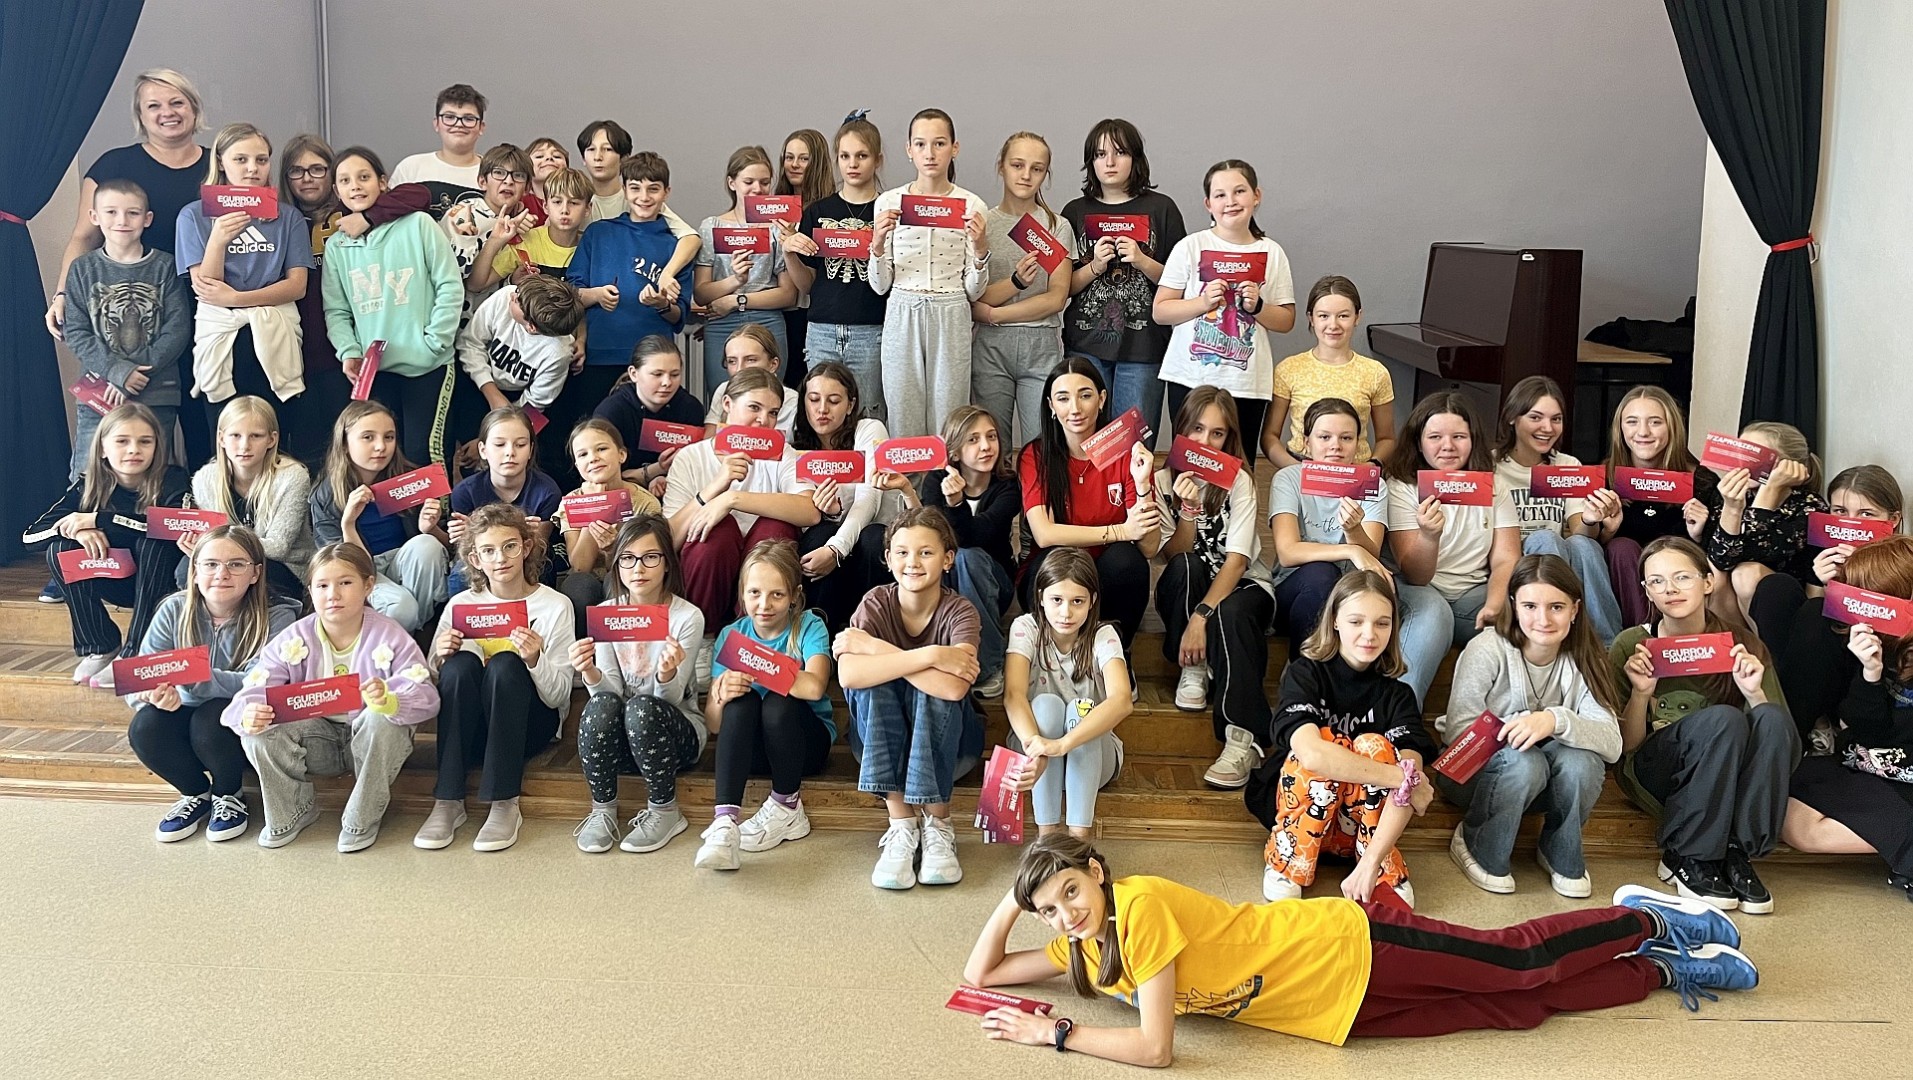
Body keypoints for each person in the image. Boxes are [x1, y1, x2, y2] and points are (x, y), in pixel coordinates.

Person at [962, 835, 1758, 1063]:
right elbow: (983, 972)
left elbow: (1156, 1048)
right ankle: (1656, 974)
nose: (1066, 914)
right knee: (1514, 1010)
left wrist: (1054, 1033)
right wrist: (1016, 898)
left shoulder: (1137, 911)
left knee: (1515, 960)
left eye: (1072, 891)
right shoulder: (1083, 947)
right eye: (1049, 909)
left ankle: (1646, 922)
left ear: (1098, 873)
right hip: (1330, 1013)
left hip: (1348, 946)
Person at [1614, 536, 1797, 913]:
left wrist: (1753, 693)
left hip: (1730, 780)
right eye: (1657, 581)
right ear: (1647, 592)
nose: (1670, 589)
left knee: (1770, 715)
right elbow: (1626, 748)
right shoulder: (1632, 644)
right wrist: (1641, 694)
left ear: (1708, 582)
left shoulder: (1742, 644)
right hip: (1657, 771)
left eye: (1682, 577)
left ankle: (1733, 850)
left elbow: (1782, 742)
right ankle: (1692, 852)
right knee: (1723, 719)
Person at [47, 69, 210, 473]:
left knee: (202, 433)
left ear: (194, 108)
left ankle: (199, 508)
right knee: (117, 446)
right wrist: (62, 294)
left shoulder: (219, 166)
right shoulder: (114, 164)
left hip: (209, 317)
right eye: (154, 105)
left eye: (177, 102)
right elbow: (83, 237)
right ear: (140, 115)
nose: (167, 112)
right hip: (128, 323)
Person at [227, 542, 437, 851]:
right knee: (258, 729)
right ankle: (293, 810)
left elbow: (424, 692)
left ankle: (362, 817)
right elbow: (255, 686)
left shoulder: (390, 635)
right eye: (322, 585)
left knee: (381, 717)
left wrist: (390, 699)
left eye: (345, 583)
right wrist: (250, 712)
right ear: (310, 591)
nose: (333, 594)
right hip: (318, 743)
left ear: (368, 585)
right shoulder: (294, 638)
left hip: (371, 744)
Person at [1438, 554, 1624, 899]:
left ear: (1575, 610)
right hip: (1472, 773)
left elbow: (1612, 744)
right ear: (1513, 605)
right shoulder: (1487, 648)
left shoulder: (1588, 657)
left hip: (1545, 782)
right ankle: (1477, 841)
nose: (1543, 619)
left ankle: (1558, 849)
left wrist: (1555, 720)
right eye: (1530, 606)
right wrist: (1522, 727)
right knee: (1526, 761)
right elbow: (1458, 733)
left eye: (1557, 607)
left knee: (1582, 762)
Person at [1250, 570, 1435, 907]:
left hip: (1362, 830)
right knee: (1325, 742)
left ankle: (1378, 862)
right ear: (1335, 621)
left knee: (1374, 746)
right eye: (1356, 621)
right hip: (1302, 815)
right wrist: (1400, 778)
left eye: (1382, 623)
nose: (1369, 634)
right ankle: (1288, 862)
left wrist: (1371, 862)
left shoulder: (1399, 696)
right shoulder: (1305, 673)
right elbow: (1313, 754)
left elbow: (1413, 777)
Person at [417, 504, 576, 852]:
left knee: (506, 664)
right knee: (459, 665)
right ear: (475, 559)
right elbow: (432, 683)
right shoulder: (461, 604)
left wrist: (535, 660)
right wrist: (439, 657)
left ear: (526, 547)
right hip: (472, 730)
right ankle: (448, 801)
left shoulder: (555, 605)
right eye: (488, 551)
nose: (501, 558)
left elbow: (559, 696)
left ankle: (505, 801)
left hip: (528, 726)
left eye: (510, 546)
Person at [837, 507, 982, 888]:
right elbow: (849, 675)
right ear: (888, 558)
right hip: (880, 743)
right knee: (875, 686)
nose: (913, 562)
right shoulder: (875, 603)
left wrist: (875, 649)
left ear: (947, 559)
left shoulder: (960, 611)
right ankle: (901, 825)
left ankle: (938, 824)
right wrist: (932, 656)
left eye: (926, 552)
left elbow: (954, 688)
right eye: (902, 552)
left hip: (953, 748)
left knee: (930, 692)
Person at [125, 525, 299, 842]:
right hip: (184, 716)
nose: (222, 574)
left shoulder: (278, 617)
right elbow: (143, 676)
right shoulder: (173, 609)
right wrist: (153, 694)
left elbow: (260, 683)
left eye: (236, 564)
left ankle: (229, 794)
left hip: (239, 726)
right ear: (194, 571)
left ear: (256, 573)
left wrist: (199, 678)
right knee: (145, 726)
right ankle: (194, 793)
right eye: (210, 564)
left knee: (212, 716)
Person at [1152, 387, 1274, 789]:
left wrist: (1200, 617)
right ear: (1182, 429)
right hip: (1190, 582)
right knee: (1186, 567)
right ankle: (1193, 667)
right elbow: (1170, 554)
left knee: (1231, 612)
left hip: (1244, 586)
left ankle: (1242, 739)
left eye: (1217, 433)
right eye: (1197, 429)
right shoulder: (1162, 480)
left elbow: (1237, 562)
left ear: (1229, 438)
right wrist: (1188, 511)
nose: (1205, 441)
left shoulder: (1238, 481)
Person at [1783, 535, 1913, 903]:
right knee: (1785, 807)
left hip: (1902, 774)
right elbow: (1868, 731)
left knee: (1808, 830)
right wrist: (1870, 674)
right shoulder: (1875, 641)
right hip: (1867, 763)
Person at [24, 403, 190, 685]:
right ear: (103, 448)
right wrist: (76, 532)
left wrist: (98, 519)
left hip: (162, 585)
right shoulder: (88, 486)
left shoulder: (173, 479)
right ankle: (101, 646)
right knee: (60, 549)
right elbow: (31, 536)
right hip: (116, 581)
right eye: (122, 441)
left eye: (145, 441)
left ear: (156, 448)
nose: (134, 449)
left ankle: (139, 650)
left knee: (155, 542)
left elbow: (173, 525)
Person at [696, 539, 836, 871]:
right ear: (742, 594)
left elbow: (814, 686)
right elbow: (714, 724)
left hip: (805, 747)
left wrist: (758, 665)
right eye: (755, 593)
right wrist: (720, 694)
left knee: (777, 700)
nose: (764, 604)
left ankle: (788, 807)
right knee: (740, 702)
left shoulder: (809, 625)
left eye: (777, 594)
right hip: (753, 751)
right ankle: (725, 822)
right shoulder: (732, 635)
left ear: (794, 596)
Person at [570, 515, 706, 853]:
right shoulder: (607, 612)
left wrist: (666, 673)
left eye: (650, 557)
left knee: (642, 708)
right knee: (602, 705)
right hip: (624, 742)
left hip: (674, 738)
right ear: (617, 565)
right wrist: (589, 671)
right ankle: (603, 811)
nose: (638, 568)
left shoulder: (686, 617)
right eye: (627, 558)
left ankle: (665, 811)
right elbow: (609, 696)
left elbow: (670, 700)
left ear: (667, 563)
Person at [321, 146, 464, 467]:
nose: (355, 186)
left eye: (364, 177)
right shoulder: (337, 246)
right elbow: (337, 310)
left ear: (383, 182)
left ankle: (436, 507)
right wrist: (349, 352)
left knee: (424, 456)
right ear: (336, 191)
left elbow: (449, 285)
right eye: (345, 181)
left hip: (427, 365)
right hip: (376, 372)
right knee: (383, 459)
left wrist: (435, 342)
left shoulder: (418, 225)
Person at [1380, 391, 1523, 706]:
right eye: (1435, 437)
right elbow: (1415, 575)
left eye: (1459, 436)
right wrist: (1429, 536)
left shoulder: (1494, 485)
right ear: (1419, 442)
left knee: (1525, 613)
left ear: (1473, 440)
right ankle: (1398, 717)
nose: (1448, 446)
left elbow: (1506, 558)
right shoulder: (1401, 486)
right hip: (1417, 591)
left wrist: (1495, 604)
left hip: (1473, 595)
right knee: (1435, 613)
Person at [176, 123, 315, 445]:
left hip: (274, 333)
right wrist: (217, 240)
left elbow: (297, 286)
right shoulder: (192, 216)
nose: (253, 168)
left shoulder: (287, 217)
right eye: (241, 159)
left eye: (261, 160)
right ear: (221, 162)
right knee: (227, 435)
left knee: (273, 431)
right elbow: (206, 288)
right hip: (222, 334)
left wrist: (236, 298)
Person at [1153, 159, 1296, 466]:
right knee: (1188, 465)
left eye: (1239, 191)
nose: (1230, 201)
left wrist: (1258, 307)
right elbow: (1161, 311)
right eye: (1220, 195)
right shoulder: (1189, 247)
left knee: (1239, 468)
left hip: (1247, 382)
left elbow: (1286, 320)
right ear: (1208, 204)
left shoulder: (1272, 252)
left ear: (1256, 196)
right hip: (1189, 377)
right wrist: (1202, 303)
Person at [1747, 463, 1903, 742]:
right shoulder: (1824, 549)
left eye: (1866, 514)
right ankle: (1790, 718)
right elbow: (1808, 630)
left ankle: (1788, 731)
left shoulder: (1899, 560)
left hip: (1868, 664)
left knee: (1816, 611)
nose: (1851, 524)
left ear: (1893, 519)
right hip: (1816, 662)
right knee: (1777, 588)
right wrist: (1822, 582)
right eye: (1840, 512)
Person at [875, 404, 1020, 697]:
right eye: (973, 439)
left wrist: (956, 504)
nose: (986, 446)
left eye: (991, 437)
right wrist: (907, 490)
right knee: (917, 555)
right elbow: (928, 535)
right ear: (954, 452)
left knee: (967, 557)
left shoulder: (1007, 487)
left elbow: (976, 537)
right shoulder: (936, 479)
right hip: (945, 580)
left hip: (994, 584)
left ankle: (988, 665)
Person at [1019, 357, 1163, 648]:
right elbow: (1045, 534)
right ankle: (1058, 657)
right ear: (1050, 406)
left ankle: (1117, 654)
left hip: (1107, 573)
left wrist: (1143, 484)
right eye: (1063, 398)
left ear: (1102, 399)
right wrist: (1121, 531)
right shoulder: (1035, 455)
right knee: (1056, 560)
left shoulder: (1128, 451)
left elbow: (1149, 547)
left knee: (1128, 560)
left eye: (1085, 396)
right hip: (1053, 569)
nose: (1075, 408)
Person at [663, 368, 821, 633]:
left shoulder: (781, 452)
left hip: (762, 574)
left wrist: (733, 499)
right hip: (708, 571)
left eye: (773, 413)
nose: (764, 420)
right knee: (718, 531)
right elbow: (668, 541)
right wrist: (715, 488)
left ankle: (755, 635)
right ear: (727, 404)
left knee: (775, 526)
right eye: (754, 408)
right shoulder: (690, 457)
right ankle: (703, 636)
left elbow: (811, 511)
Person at [60, 179, 192, 489]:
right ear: (94, 217)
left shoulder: (166, 266)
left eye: (132, 213)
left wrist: (134, 373)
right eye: (111, 212)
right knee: (86, 478)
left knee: (153, 480)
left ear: (147, 219)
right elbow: (75, 330)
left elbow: (177, 329)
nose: (122, 221)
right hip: (99, 393)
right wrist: (118, 372)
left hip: (156, 391)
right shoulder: (82, 268)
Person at [867, 108, 991, 438]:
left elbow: (974, 291)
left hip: (951, 310)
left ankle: (945, 474)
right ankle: (905, 475)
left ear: (954, 148)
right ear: (909, 149)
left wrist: (981, 249)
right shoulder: (889, 202)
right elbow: (880, 286)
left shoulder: (972, 205)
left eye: (939, 143)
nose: (930, 153)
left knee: (950, 416)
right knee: (902, 411)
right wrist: (876, 244)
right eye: (921, 144)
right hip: (902, 308)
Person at [1058, 118, 1185, 431]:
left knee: (1133, 445)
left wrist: (1142, 261)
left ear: (1136, 158)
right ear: (1091, 162)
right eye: (1100, 154)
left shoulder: (1162, 209)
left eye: (1120, 153)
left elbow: (1181, 285)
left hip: (1143, 349)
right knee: (1084, 439)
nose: (1110, 162)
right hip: (1086, 345)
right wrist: (1094, 267)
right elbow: (1062, 288)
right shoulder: (1074, 212)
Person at [564, 151, 693, 441]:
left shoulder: (676, 244)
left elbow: (679, 315)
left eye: (653, 189)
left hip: (653, 364)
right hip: (599, 356)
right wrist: (596, 295)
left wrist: (663, 304)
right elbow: (572, 294)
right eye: (635, 188)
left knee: (646, 441)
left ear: (666, 192)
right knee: (594, 436)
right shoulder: (598, 233)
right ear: (624, 190)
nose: (644, 197)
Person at [1003, 547, 1129, 838]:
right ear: (1040, 597)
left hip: (1091, 759)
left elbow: (1122, 700)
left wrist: (1061, 745)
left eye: (1077, 601)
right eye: (1057, 600)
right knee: (1045, 704)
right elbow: (1013, 695)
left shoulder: (1103, 634)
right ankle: (1046, 837)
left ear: (1092, 601)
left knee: (1081, 710)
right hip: (1033, 759)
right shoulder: (1026, 627)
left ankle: (1078, 841)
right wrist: (1037, 747)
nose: (1066, 612)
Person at [1491, 375, 1625, 643]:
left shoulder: (1568, 464)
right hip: (1515, 565)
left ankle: (1608, 645)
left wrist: (1590, 519)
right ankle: (1557, 635)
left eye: (1556, 419)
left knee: (1584, 544)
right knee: (1545, 537)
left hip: (1563, 561)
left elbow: (1580, 532)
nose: (1547, 428)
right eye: (1535, 417)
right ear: (1512, 418)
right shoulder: (1491, 465)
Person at [970, 132, 1075, 446]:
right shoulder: (982, 224)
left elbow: (1056, 297)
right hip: (990, 347)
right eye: (1017, 165)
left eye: (1037, 168)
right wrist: (1015, 283)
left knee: (1041, 445)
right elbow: (974, 295)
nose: (1026, 175)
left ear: (1046, 174)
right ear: (1001, 166)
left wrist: (994, 314)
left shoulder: (1057, 226)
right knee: (990, 444)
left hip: (1040, 345)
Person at [307, 400, 450, 630]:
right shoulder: (325, 495)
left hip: (403, 563)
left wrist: (431, 528)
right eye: (368, 437)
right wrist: (348, 523)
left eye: (389, 437)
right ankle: (404, 636)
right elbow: (344, 567)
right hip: (360, 571)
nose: (381, 446)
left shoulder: (410, 478)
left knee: (427, 545)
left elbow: (450, 547)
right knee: (402, 607)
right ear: (345, 444)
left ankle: (413, 632)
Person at [783, 112, 888, 419]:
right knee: (820, 415)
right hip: (822, 330)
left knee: (868, 413)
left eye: (861, 156)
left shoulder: (887, 210)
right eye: (845, 156)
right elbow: (807, 285)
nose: (852, 164)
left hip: (872, 331)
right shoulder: (818, 211)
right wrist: (789, 253)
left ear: (878, 160)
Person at [1267, 398, 1390, 655]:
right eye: (1325, 437)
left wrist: (1354, 531)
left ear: (1358, 444)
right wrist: (1350, 550)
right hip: (1294, 591)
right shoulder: (1288, 478)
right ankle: (1302, 667)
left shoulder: (1372, 484)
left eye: (1346, 438)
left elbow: (1371, 556)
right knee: (1320, 574)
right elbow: (1288, 553)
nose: (1336, 446)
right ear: (1306, 443)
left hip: (1350, 595)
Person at [1594, 386, 1718, 626]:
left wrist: (1700, 534)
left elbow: (1722, 553)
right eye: (1632, 422)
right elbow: (1589, 546)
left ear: (1672, 427)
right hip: (1625, 583)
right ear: (1620, 428)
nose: (1643, 432)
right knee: (1621, 547)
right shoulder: (1605, 476)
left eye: (1655, 422)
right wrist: (1608, 531)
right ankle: (1644, 632)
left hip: (1681, 579)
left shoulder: (1701, 481)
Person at [791, 362, 895, 630]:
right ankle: (818, 636)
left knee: (873, 538)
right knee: (819, 533)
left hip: (869, 544)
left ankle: (871, 630)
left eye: (834, 401)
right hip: (831, 548)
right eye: (814, 399)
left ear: (850, 405)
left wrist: (836, 550)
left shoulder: (869, 429)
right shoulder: (798, 446)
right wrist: (832, 514)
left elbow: (869, 502)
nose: (822, 409)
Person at [694, 146, 800, 391]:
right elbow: (701, 293)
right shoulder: (711, 226)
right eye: (748, 182)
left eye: (764, 182)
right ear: (732, 183)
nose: (757, 189)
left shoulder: (777, 228)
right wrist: (735, 281)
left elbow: (788, 294)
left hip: (767, 321)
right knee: (724, 397)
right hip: (722, 322)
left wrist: (736, 300)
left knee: (769, 395)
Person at [1262, 275, 1394, 469]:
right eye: (1324, 316)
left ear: (1357, 317)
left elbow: (1387, 438)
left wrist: (1370, 467)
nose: (1333, 325)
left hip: (1356, 471)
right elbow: (1269, 436)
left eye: (1343, 316)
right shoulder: (1288, 369)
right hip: (1300, 468)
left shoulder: (1376, 373)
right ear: (1311, 318)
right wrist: (1297, 470)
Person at [190, 395, 314, 603]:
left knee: (262, 574)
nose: (244, 445)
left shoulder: (293, 476)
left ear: (271, 439)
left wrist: (216, 546)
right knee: (185, 570)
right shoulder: (205, 478)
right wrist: (200, 548)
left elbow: (278, 547)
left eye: (255, 436)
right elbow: (215, 539)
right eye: (235, 435)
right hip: (227, 564)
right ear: (221, 438)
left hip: (284, 567)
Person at [1707, 420, 1826, 623]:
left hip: (1787, 609)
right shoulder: (1734, 494)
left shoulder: (1808, 506)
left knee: (1746, 574)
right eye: (1740, 454)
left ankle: (1764, 643)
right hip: (1738, 611)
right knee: (1714, 575)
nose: (1743, 464)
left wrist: (1769, 491)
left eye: (1755, 456)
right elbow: (1722, 560)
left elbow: (1752, 553)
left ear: (1788, 466)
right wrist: (1732, 508)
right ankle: (1742, 640)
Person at [553, 418, 664, 634]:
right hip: (586, 580)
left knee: (617, 582)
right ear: (577, 466)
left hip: (629, 573)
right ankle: (583, 650)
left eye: (601, 449)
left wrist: (612, 549)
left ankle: (624, 647)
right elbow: (579, 567)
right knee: (578, 585)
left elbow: (646, 562)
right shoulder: (571, 502)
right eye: (583, 454)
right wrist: (593, 508)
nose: (593, 458)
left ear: (621, 455)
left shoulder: (645, 502)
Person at [446, 406, 566, 593]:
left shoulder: (547, 492)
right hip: (484, 559)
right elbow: (465, 551)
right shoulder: (465, 492)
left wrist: (533, 536)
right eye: (500, 444)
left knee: (541, 569)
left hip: (526, 558)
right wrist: (465, 535)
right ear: (483, 450)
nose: (510, 452)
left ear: (531, 450)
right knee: (459, 577)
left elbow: (536, 549)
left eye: (520, 444)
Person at [574, 119, 701, 280]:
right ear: (583, 158)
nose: (598, 157)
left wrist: (667, 274)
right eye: (591, 149)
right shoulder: (574, 201)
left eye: (608, 149)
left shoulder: (639, 201)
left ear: (624, 158)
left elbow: (691, 238)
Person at [455, 275, 587, 418]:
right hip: (474, 375)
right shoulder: (506, 295)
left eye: (518, 301)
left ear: (531, 327)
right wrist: (490, 391)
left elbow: (536, 404)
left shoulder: (559, 352)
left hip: (517, 397)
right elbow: (470, 343)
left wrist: (510, 419)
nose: (513, 295)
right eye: (518, 291)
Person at [592, 334, 706, 496]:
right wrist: (656, 470)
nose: (667, 382)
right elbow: (601, 477)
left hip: (678, 489)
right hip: (622, 493)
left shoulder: (690, 408)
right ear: (633, 374)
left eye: (674, 375)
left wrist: (665, 478)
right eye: (657, 374)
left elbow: (696, 469)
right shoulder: (611, 412)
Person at [772, 124, 839, 387]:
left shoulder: (830, 209)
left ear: (818, 163)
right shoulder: (771, 207)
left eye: (803, 158)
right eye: (789, 157)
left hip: (811, 310)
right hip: (777, 310)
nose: (794, 165)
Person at [386, 83, 487, 218]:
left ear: (481, 127)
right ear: (436, 123)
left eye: (468, 119)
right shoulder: (410, 168)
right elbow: (388, 218)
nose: (458, 124)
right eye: (449, 117)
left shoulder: (496, 174)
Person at [701, 324, 798, 436]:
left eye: (750, 360)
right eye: (732, 361)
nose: (739, 369)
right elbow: (709, 438)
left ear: (773, 364)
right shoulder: (724, 389)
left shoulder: (792, 401)